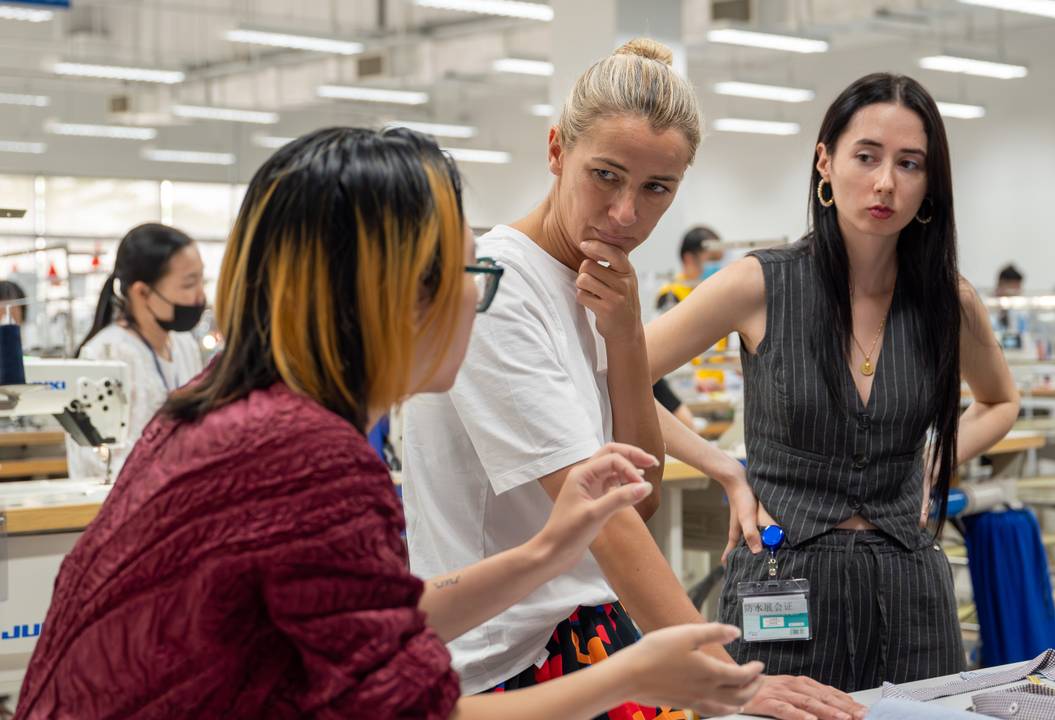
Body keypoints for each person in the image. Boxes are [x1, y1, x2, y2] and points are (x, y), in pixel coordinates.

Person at [15, 127, 766, 720]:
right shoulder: (306, 457)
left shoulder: (232, 403)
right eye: (470, 275)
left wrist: (543, 551)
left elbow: (380, 620)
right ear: (389, 292)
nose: (478, 302)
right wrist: (632, 675)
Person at [404, 39, 864, 720]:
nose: (626, 214)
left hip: (586, 625)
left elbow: (641, 493)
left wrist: (625, 338)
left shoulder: (595, 281)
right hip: (505, 655)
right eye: (606, 176)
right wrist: (727, 679)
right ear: (557, 151)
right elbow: (610, 523)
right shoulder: (502, 289)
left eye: (656, 189)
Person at [647, 73, 1020, 692]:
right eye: (866, 156)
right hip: (781, 584)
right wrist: (725, 469)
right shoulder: (760, 284)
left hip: (911, 598)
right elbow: (617, 377)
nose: (885, 183)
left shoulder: (945, 302)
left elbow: (1001, 400)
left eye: (910, 164)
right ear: (825, 161)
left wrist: (932, 465)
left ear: (930, 184)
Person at [66, 223, 206, 480]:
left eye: (202, 280)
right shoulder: (105, 354)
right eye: (189, 285)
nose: (200, 296)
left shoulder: (184, 346)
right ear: (142, 292)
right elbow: (93, 461)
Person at [653, 225, 727, 429]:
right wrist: (695, 385)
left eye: (720, 259)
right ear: (688, 259)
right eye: (711, 259)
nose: (718, 265)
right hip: (687, 404)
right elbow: (664, 356)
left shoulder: (714, 293)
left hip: (718, 397)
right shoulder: (671, 295)